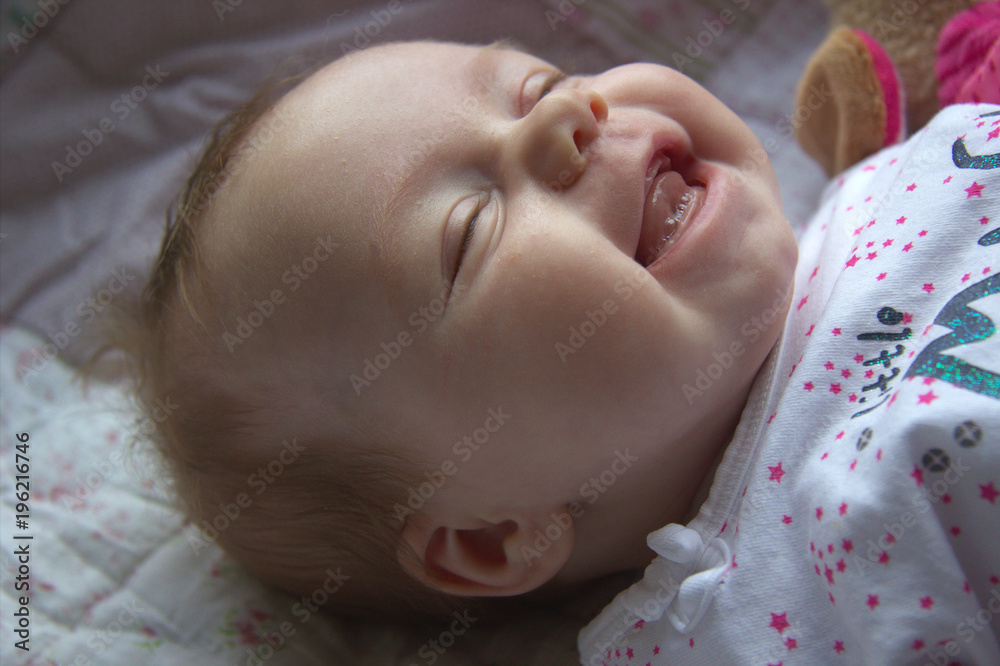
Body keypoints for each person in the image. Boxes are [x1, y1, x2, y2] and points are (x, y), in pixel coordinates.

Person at [91, 38, 999, 662]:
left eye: (537, 83)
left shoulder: (874, 181)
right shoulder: (764, 610)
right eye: (469, 229)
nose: (567, 118)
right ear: (492, 538)